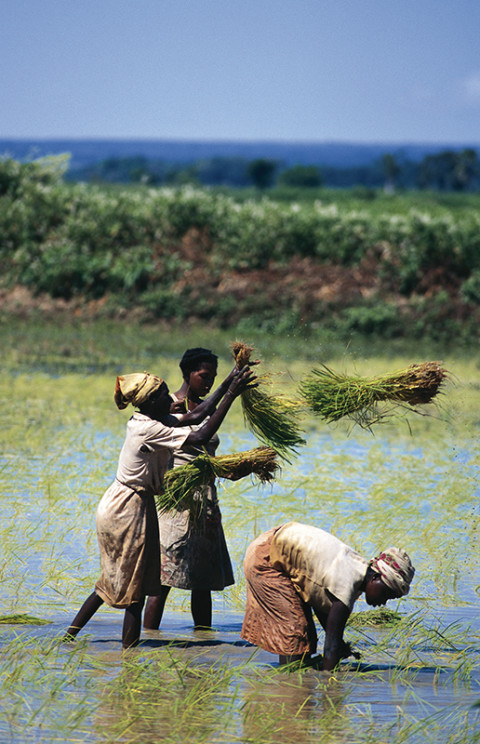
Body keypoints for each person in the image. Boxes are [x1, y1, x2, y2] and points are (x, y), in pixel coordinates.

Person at [65, 363, 255, 649]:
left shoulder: (151, 418)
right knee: (135, 588)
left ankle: (69, 636)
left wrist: (230, 383)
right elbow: (200, 434)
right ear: (151, 401)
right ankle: (130, 656)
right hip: (127, 507)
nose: (171, 398)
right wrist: (231, 395)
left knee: (117, 577)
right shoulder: (149, 429)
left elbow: (196, 414)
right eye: (164, 394)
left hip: (134, 503)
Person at [143, 347, 235, 631]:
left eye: (213, 378)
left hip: (205, 501)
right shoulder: (167, 406)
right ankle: (146, 639)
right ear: (187, 373)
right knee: (162, 581)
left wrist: (233, 468)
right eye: (204, 376)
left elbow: (208, 453)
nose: (207, 382)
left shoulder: (207, 409)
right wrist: (231, 388)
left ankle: (203, 643)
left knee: (203, 582)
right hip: (178, 501)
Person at [241, 521, 415, 669]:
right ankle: (289, 683)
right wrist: (330, 684)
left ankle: (294, 676)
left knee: (307, 635)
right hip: (266, 560)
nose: (383, 602)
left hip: (276, 548)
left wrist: (340, 645)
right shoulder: (347, 584)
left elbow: (326, 615)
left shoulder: (356, 569)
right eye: (385, 593)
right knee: (295, 630)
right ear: (375, 577)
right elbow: (330, 646)